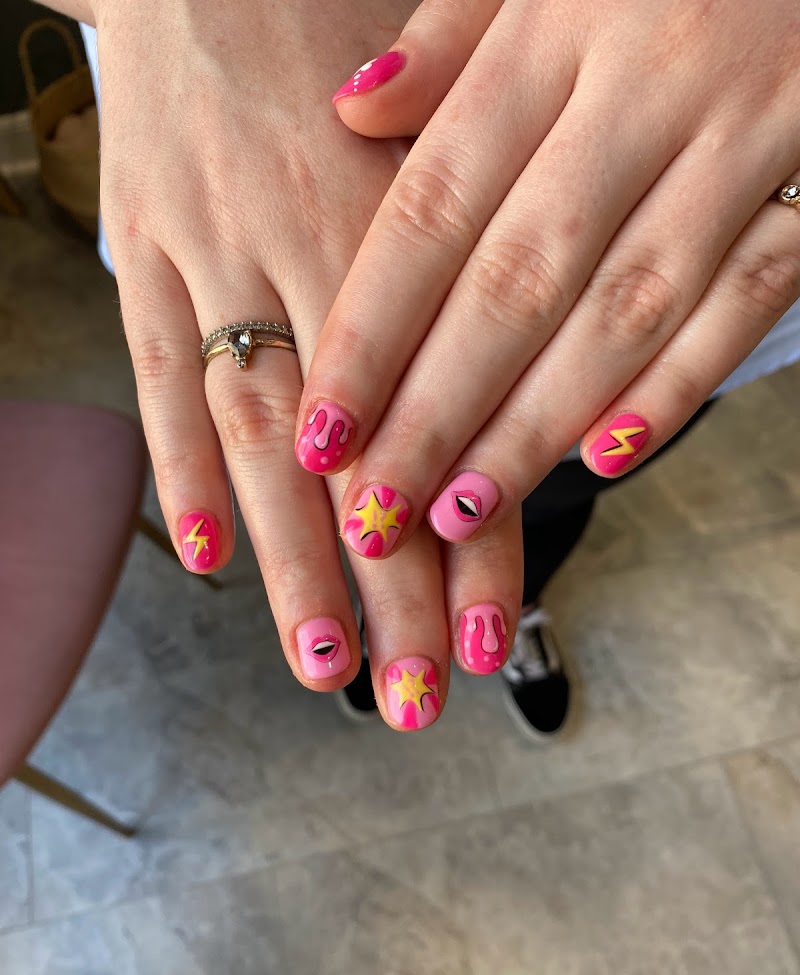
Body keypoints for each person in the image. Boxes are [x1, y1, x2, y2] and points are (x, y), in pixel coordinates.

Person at [39, 0, 799, 738]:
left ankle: (519, 605)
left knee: (555, 478)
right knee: (335, 484)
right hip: (237, 173)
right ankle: (383, 622)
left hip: (700, 194)